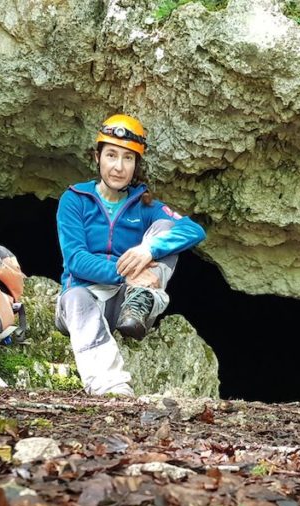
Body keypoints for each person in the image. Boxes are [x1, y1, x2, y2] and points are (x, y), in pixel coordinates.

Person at [55, 114, 206, 396]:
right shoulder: (75, 199)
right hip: (84, 300)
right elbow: (75, 259)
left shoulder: (144, 205)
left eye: (128, 158)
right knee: (75, 297)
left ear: (136, 165)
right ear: (97, 156)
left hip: (127, 304)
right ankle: (110, 385)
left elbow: (194, 230)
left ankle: (142, 301)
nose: (118, 166)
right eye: (111, 155)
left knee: (164, 230)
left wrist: (148, 249)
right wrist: (128, 272)